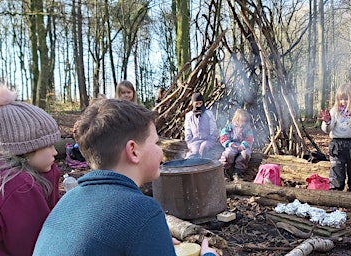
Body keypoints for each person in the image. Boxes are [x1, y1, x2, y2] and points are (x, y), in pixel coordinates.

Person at [34, 99, 217, 256]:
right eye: (156, 142)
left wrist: (152, 240)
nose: (160, 149)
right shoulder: (143, 211)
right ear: (133, 151)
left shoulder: (67, 201)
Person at [0, 85, 61, 256]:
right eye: (48, 145)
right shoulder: (19, 188)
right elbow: (35, 248)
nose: (55, 152)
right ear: (25, 149)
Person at [318, 83, 351, 192]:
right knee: (337, 170)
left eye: (346, 99)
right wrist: (327, 122)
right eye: (340, 99)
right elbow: (328, 129)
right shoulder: (335, 111)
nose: (343, 102)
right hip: (337, 144)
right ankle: (336, 194)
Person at [219, 109, 254, 181]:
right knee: (228, 153)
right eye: (242, 121)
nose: (244, 123)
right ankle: (224, 171)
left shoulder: (247, 129)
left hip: (243, 146)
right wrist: (229, 143)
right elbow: (223, 136)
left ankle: (238, 172)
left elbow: (249, 139)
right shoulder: (229, 127)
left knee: (245, 154)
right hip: (232, 145)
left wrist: (243, 145)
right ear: (237, 120)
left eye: (245, 121)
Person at [184, 92, 219, 159]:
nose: (199, 105)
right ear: (193, 103)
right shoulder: (189, 115)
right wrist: (189, 142)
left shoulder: (209, 113)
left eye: (200, 103)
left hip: (208, 140)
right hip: (195, 141)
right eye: (196, 104)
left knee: (203, 149)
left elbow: (213, 128)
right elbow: (187, 130)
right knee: (194, 153)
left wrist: (212, 139)